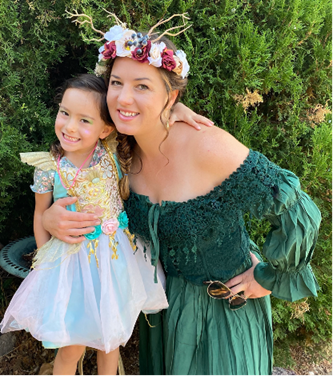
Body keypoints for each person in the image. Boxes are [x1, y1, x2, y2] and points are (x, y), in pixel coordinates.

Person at [41, 14, 321, 376]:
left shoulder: (207, 146)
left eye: (142, 86)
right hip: (162, 315)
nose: (124, 97)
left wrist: (266, 278)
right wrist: (49, 218)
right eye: (116, 83)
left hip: (222, 318)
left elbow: (299, 211)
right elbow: (77, 183)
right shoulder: (115, 151)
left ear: (170, 95)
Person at [0, 73, 211, 376]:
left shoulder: (113, 154)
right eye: (65, 113)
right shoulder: (49, 169)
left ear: (105, 129)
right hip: (73, 267)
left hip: (115, 264)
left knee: (110, 343)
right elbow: (40, 214)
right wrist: (46, 260)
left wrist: (177, 110)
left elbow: (153, 122)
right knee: (71, 346)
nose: (70, 126)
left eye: (85, 120)